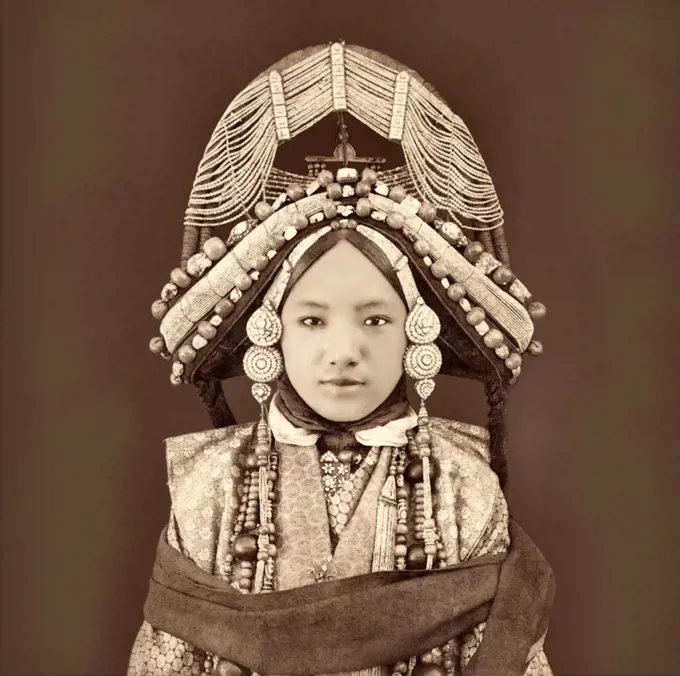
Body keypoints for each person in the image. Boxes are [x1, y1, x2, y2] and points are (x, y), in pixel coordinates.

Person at [129, 43, 554, 676]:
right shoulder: (211, 491)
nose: (344, 351)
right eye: (312, 320)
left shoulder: (463, 489)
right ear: (270, 333)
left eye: (376, 320)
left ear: (419, 331)